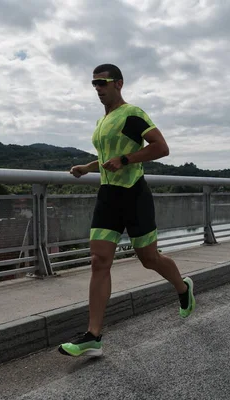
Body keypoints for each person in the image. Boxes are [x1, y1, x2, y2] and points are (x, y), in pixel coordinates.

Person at [59, 64, 195, 357]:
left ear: (118, 83)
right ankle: (93, 335)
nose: (97, 88)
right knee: (98, 260)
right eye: (93, 83)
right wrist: (88, 166)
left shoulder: (132, 114)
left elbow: (161, 148)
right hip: (108, 196)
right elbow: (108, 157)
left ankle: (183, 288)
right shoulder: (102, 121)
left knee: (149, 259)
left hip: (134, 195)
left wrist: (126, 159)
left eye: (102, 82)